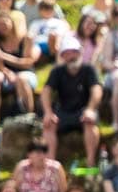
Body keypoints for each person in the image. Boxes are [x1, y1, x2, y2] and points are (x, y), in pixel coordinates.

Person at [41, 37, 102, 168]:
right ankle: (50, 165)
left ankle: (90, 163)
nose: (70, 56)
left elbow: (96, 90)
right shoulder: (57, 71)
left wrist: (91, 108)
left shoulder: (88, 69)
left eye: (73, 52)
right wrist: (48, 112)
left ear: (79, 53)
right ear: (63, 56)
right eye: (67, 53)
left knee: (90, 122)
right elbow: (46, 91)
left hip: (84, 110)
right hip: (63, 111)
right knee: (48, 124)